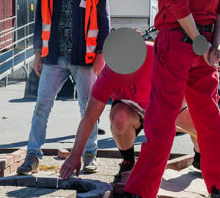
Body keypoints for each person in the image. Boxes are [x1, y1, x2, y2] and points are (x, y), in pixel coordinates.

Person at [115, 0, 220, 198]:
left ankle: (142, 193)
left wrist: (196, 39)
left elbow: (177, 2)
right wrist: (213, 44)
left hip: (178, 40)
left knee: (160, 118)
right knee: (208, 119)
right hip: (204, 45)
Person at [16, 0, 110, 175]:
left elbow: (104, 21)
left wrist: (101, 54)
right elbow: (40, 19)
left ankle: (90, 155)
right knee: (41, 106)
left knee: (88, 108)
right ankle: (33, 155)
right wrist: (37, 52)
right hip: (53, 55)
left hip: (85, 57)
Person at [58, 40, 200, 181]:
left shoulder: (158, 53)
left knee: (198, 122)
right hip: (133, 112)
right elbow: (90, 116)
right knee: (119, 118)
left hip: (166, 107)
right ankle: (128, 162)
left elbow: (187, 80)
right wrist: (75, 155)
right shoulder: (109, 73)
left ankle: (200, 157)